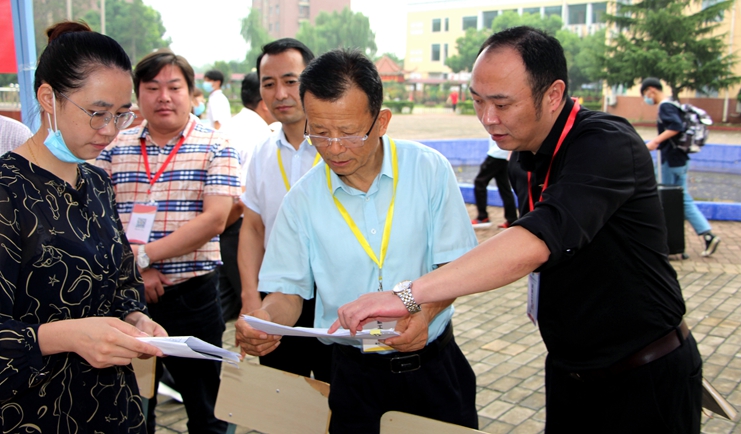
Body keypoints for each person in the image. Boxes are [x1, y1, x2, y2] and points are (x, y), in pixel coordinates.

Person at [335, 27, 703, 433]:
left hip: (642, 375)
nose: (488, 118)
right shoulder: (522, 158)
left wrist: (406, 295)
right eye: (478, 101)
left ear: (553, 95)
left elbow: (536, 239)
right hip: (569, 373)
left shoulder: (606, 145)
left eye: (502, 104)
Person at [235, 49, 478, 434]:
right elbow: (287, 294)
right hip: (353, 378)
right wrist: (265, 322)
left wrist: (426, 313)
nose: (333, 147)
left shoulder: (428, 170)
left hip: (434, 367)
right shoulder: (301, 199)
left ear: (381, 121)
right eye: (319, 131)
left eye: (348, 132)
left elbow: (457, 267)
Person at [0, 21, 166, 432]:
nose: (109, 130)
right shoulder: (7, 190)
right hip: (32, 412)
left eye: (120, 115)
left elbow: (123, 283)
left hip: (110, 407)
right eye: (96, 113)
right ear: (48, 99)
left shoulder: (97, 183)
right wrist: (65, 336)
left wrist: (135, 320)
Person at [97, 50, 241, 434]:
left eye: (174, 87)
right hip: (123, 299)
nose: (164, 97)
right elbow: (96, 217)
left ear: (190, 93)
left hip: (192, 297)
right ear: (138, 94)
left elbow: (214, 220)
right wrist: (135, 272)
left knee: (207, 406)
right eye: (152, 87)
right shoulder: (113, 147)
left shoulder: (216, 145)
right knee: (131, 405)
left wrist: (141, 258)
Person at [235, 38, 332, 381]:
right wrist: (250, 296)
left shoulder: (337, 148)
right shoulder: (262, 151)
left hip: (336, 297)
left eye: (291, 81)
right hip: (278, 297)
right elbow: (253, 227)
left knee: (338, 400)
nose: (280, 94)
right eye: (269, 83)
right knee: (283, 395)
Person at [216, 72, 274, 321]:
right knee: (251, 304)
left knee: (225, 302)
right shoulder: (261, 136)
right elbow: (242, 198)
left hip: (223, 228)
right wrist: (220, 227)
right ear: (263, 101)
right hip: (237, 227)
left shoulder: (231, 125)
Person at [641, 77, 721, 257]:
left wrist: (655, 141)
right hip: (681, 160)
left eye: (645, 94)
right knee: (682, 199)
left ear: (651, 90)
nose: (646, 98)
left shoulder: (665, 106)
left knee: (664, 200)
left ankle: (670, 244)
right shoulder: (674, 104)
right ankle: (705, 235)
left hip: (670, 161)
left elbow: (676, 126)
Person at [471, 137, 518, 229]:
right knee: (504, 187)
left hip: (497, 154)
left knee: (480, 182)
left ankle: (483, 217)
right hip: (503, 155)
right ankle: (512, 219)